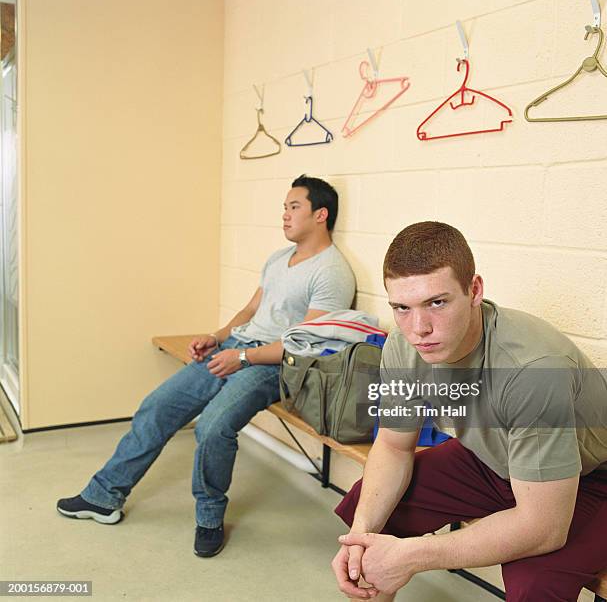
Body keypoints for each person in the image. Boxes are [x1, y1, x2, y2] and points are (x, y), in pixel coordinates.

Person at [57, 175, 356, 558]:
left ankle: (209, 518)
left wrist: (243, 357)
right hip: (236, 348)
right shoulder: (279, 258)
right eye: (284, 207)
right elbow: (251, 310)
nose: (284, 215)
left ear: (321, 214)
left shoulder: (331, 271)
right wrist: (217, 338)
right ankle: (103, 496)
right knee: (157, 406)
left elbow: (304, 345)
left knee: (214, 427)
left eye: (293, 207)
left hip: (275, 366)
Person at [332, 221, 607, 602]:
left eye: (437, 302)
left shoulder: (533, 368)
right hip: (497, 459)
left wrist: (413, 557)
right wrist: (362, 536)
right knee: (375, 511)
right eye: (402, 308)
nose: (419, 329)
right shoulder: (402, 345)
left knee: (535, 582)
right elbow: (394, 447)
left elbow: (544, 527)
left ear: (474, 290)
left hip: (589, 477)